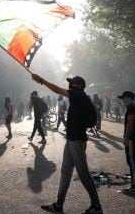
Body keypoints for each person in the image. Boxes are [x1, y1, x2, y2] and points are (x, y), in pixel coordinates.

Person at [33, 74, 103, 214]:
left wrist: (42, 80)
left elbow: (57, 89)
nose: (69, 85)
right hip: (72, 139)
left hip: (76, 139)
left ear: (78, 85)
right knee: (65, 172)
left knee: (83, 174)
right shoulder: (79, 97)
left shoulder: (77, 94)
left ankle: (96, 206)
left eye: (72, 83)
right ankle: (59, 205)